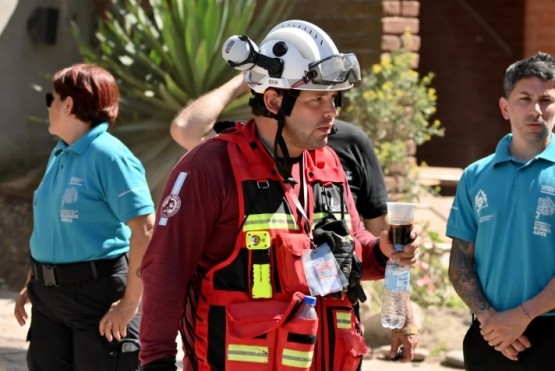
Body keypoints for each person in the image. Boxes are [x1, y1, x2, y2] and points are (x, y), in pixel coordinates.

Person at [140, 20, 421, 371]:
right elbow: (166, 270)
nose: (331, 112)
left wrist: (382, 251)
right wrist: (156, 362)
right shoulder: (210, 167)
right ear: (274, 100)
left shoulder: (329, 163)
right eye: (316, 100)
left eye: (334, 98)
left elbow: (354, 245)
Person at [13, 63, 156, 371]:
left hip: (97, 296)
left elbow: (145, 228)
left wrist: (130, 303)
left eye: (51, 99)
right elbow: (50, 224)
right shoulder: (61, 152)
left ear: (69, 104)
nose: (49, 107)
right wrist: (32, 281)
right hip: (49, 298)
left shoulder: (111, 156)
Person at [446, 52, 555, 371]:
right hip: (488, 334)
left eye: (546, 100)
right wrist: (492, 322)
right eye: (524, 98)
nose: (536, 110)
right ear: (505, 106)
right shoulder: (475, 176)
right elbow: (459, 262)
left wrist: (521, 318)